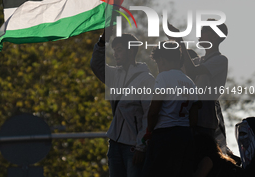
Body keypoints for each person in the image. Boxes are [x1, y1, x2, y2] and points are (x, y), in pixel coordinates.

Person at [90, 30, 155, 177]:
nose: (115, 54)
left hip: (133, 146)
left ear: (131, 51)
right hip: (114, 144)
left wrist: (141, 146)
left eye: (119, 50)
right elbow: (96, 65)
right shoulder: (115, 75)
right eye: (114, 50)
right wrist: (102, 41)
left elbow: (149, 115)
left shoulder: (146, 79)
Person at [168, 19, 228, 152]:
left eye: (204, 31)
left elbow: (191, 70)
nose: (200, 34)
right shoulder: (199, 60)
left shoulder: (220, 60)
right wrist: (175, 43)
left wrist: (180, 41)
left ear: (215, 36)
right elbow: (176, 71)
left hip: (204, 119)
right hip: (188, 118)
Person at [141, 41, 199, 177]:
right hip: (185, 136)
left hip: (164, 135)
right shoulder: (190, 81)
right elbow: (194, 117)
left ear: (161, 60)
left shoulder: (163, 77)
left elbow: (154, 111)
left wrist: (149, 131)